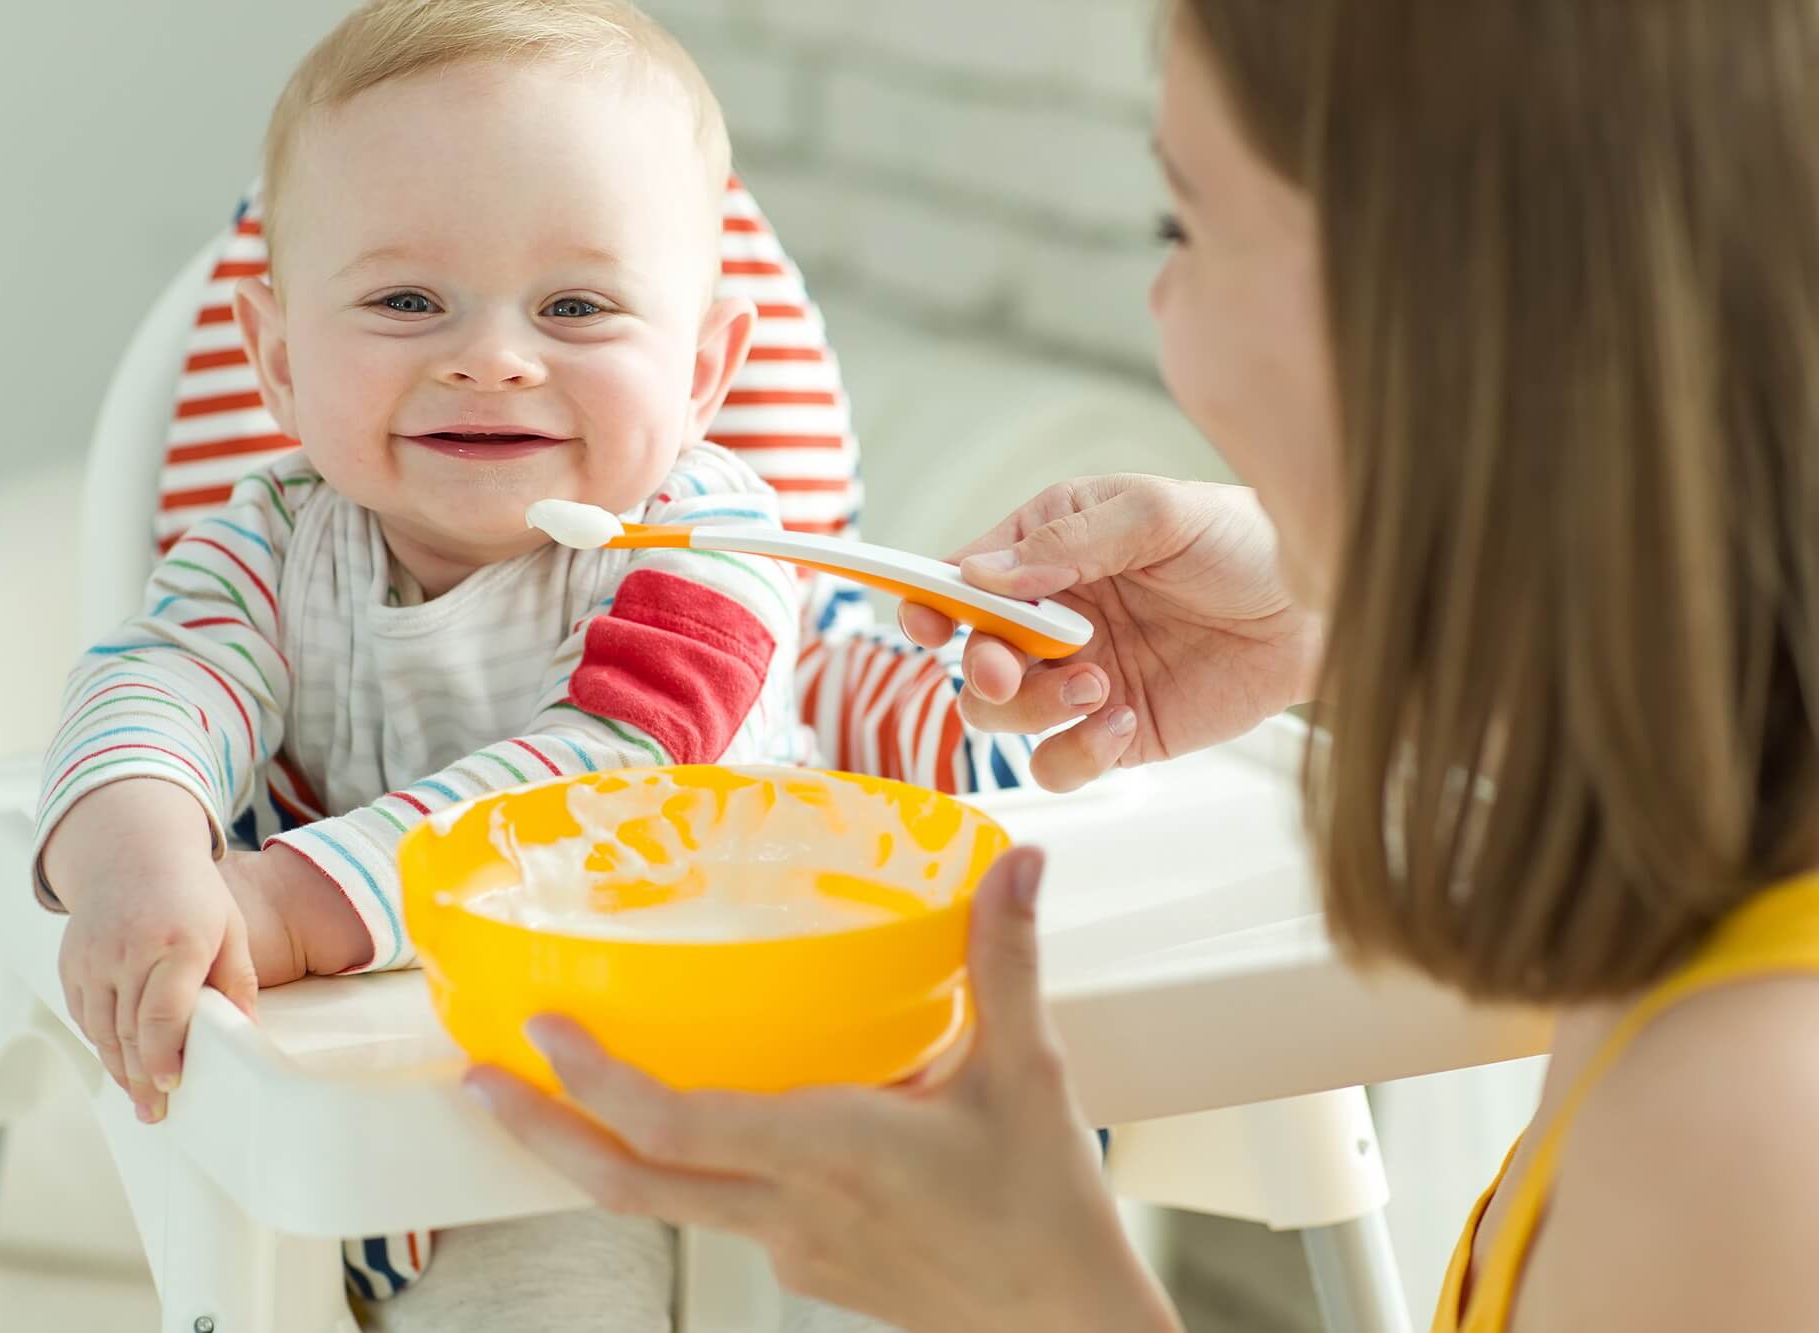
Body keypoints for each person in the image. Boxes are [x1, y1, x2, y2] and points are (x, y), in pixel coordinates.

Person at [469, 2, 1819, 1330]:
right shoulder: (1702, 889)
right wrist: (1346, 603)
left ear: (1433, 322)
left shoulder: (1740, 1128)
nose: (1163, 307)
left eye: (1185, 225)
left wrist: (1048, 1302)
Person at [32, 1, 883, 1326]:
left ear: (706, 371)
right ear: (277, 356)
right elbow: (157, 675)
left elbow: (616, 786)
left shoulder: (711, 546)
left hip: (779, 1092)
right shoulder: (268, 541)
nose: (491, 355)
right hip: (485, 1129)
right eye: (406, 298)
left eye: (578, 303)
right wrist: (136, 850)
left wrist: (287, 908)